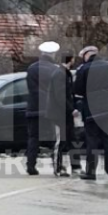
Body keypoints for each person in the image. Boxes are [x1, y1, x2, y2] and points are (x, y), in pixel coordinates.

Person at [74, 45, 108, 181]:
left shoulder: (84, 69)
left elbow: (78, 89)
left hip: (92, 111)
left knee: (92, 141)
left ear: (86, 55)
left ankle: (91, 172)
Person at [25, 41, 66, 176]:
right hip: (50, 109)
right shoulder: (56, 69)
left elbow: (30, 88)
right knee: (55, 139)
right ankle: (57, 166)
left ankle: (31, 165)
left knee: (33, 138)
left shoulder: (31, 68)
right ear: (53, 54)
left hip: (33, 108)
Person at [53, 54, 82, 177]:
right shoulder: (60, 74)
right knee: (61, 141)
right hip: (60, 113)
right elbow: (60, 96)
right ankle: (58, 168)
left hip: (66, 112)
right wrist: (71, 109)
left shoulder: (66, 73)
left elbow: (69, 94)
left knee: (72, 139)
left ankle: (76, 166)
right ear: (71, 60)